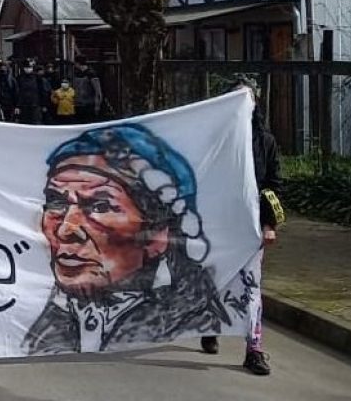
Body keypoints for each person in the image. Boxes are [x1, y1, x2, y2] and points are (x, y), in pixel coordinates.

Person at [24, 123, 228, 355]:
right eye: (57, 202)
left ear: (158, 235)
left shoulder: (191, 315)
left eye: (99, 206)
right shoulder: (39, 320)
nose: (65, 229)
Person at [200, 76, 283, 376]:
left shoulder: (265, 141)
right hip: (219, 224)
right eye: (236, 98)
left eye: (247, 98)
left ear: (255, 102)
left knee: (251, 287)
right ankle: (210, 325)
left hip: (249, 228)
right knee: (216, 279)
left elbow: (272, 185)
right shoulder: (216, 140)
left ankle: (254, 350)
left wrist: (269, 223)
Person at [73, 55, 102, 123]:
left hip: (88, 105)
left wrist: (97, 105)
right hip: (79, 105)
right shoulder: (77, 74)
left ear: (78, 63)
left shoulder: (91, 74)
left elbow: (98, 91)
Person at [15, 60, 43, 125]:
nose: (28, 69)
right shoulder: (20, 78)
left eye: (29, 67)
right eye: (26, 67)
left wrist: (42, 104)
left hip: (35, 105)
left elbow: (41, 91)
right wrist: (17, 105)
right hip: (23, 106)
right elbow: (17, 93)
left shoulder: (37, 78)